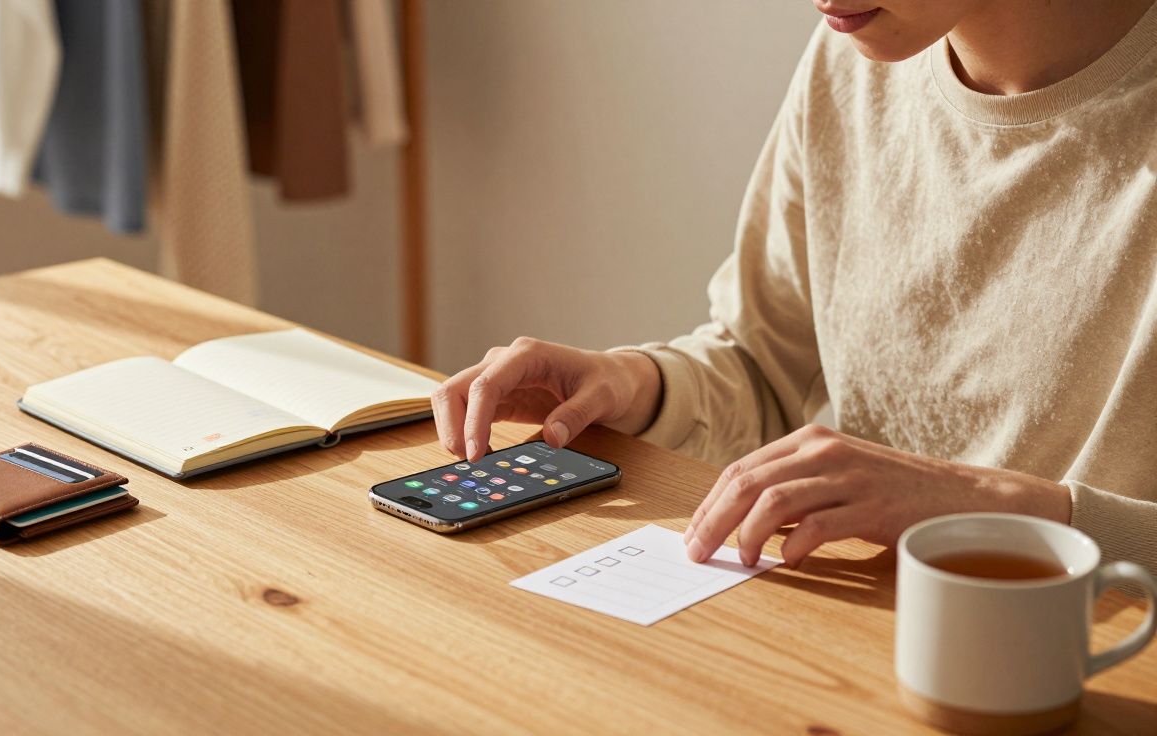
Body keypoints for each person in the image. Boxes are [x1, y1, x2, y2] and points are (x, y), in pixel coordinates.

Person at [430, 0, 1157, 576]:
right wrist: (634, 384)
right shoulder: (855, 61)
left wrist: (987, 507)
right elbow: (767, 370)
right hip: (845, 643)